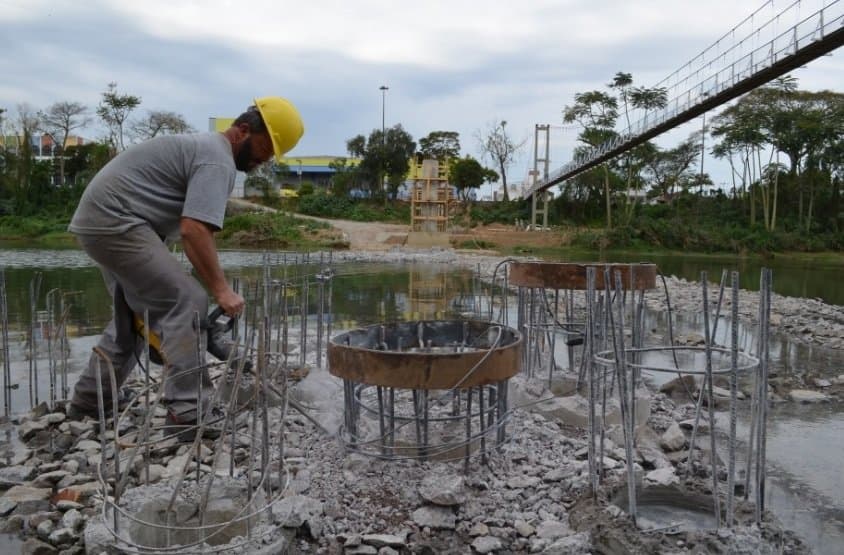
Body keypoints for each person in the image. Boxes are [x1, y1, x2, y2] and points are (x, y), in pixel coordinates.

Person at [65, 97, 304, 437]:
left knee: (133, 317)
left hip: (102, 220)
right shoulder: (217, 159)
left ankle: (90, 402)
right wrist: (220, 290)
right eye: (265, 148)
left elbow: (198, 232)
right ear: (244, 130)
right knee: (188, 300)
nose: (263, 160)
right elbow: (194, 230)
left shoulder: (205, 150)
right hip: (118, 221)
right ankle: (188, 412)